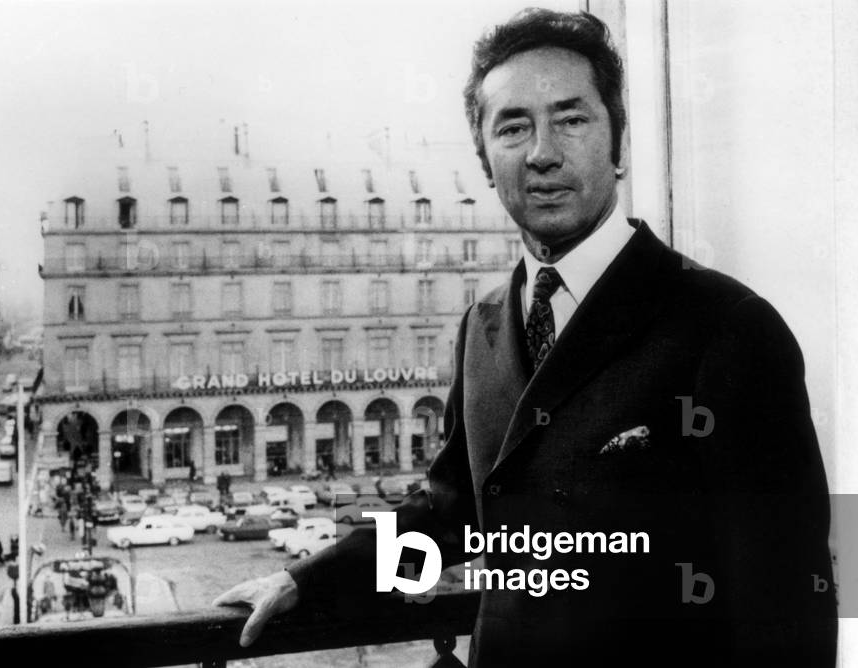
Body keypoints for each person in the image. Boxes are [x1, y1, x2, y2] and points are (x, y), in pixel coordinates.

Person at [214, 9, 836, 668]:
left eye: (571, 120)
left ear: (619, 145)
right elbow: (453, 508)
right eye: (513, 127)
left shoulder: (726, 326)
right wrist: (306, 580)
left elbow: (787, 604)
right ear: (486, 162)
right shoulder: (482, 325)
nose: (542, 152)